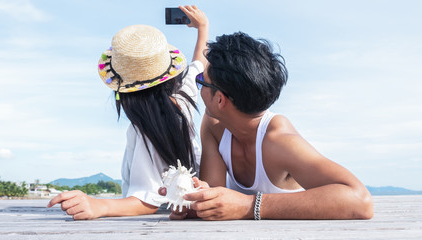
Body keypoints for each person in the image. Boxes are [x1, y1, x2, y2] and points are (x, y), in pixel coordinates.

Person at [173, 32, 374, 220]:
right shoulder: (214, 125)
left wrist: (249, 205)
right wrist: (187, 200)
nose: (199, 90)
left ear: (220, 99)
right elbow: (211, 199)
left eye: (201, 81)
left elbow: (361, 201)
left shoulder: (279, 140)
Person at [47, 5, 209, 220]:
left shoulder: (148, 128)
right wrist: (203, 27)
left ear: (123, 91)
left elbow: (148, 201)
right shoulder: (182, 101)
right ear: (170, 75)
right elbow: (198, 64)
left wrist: (99, 206)